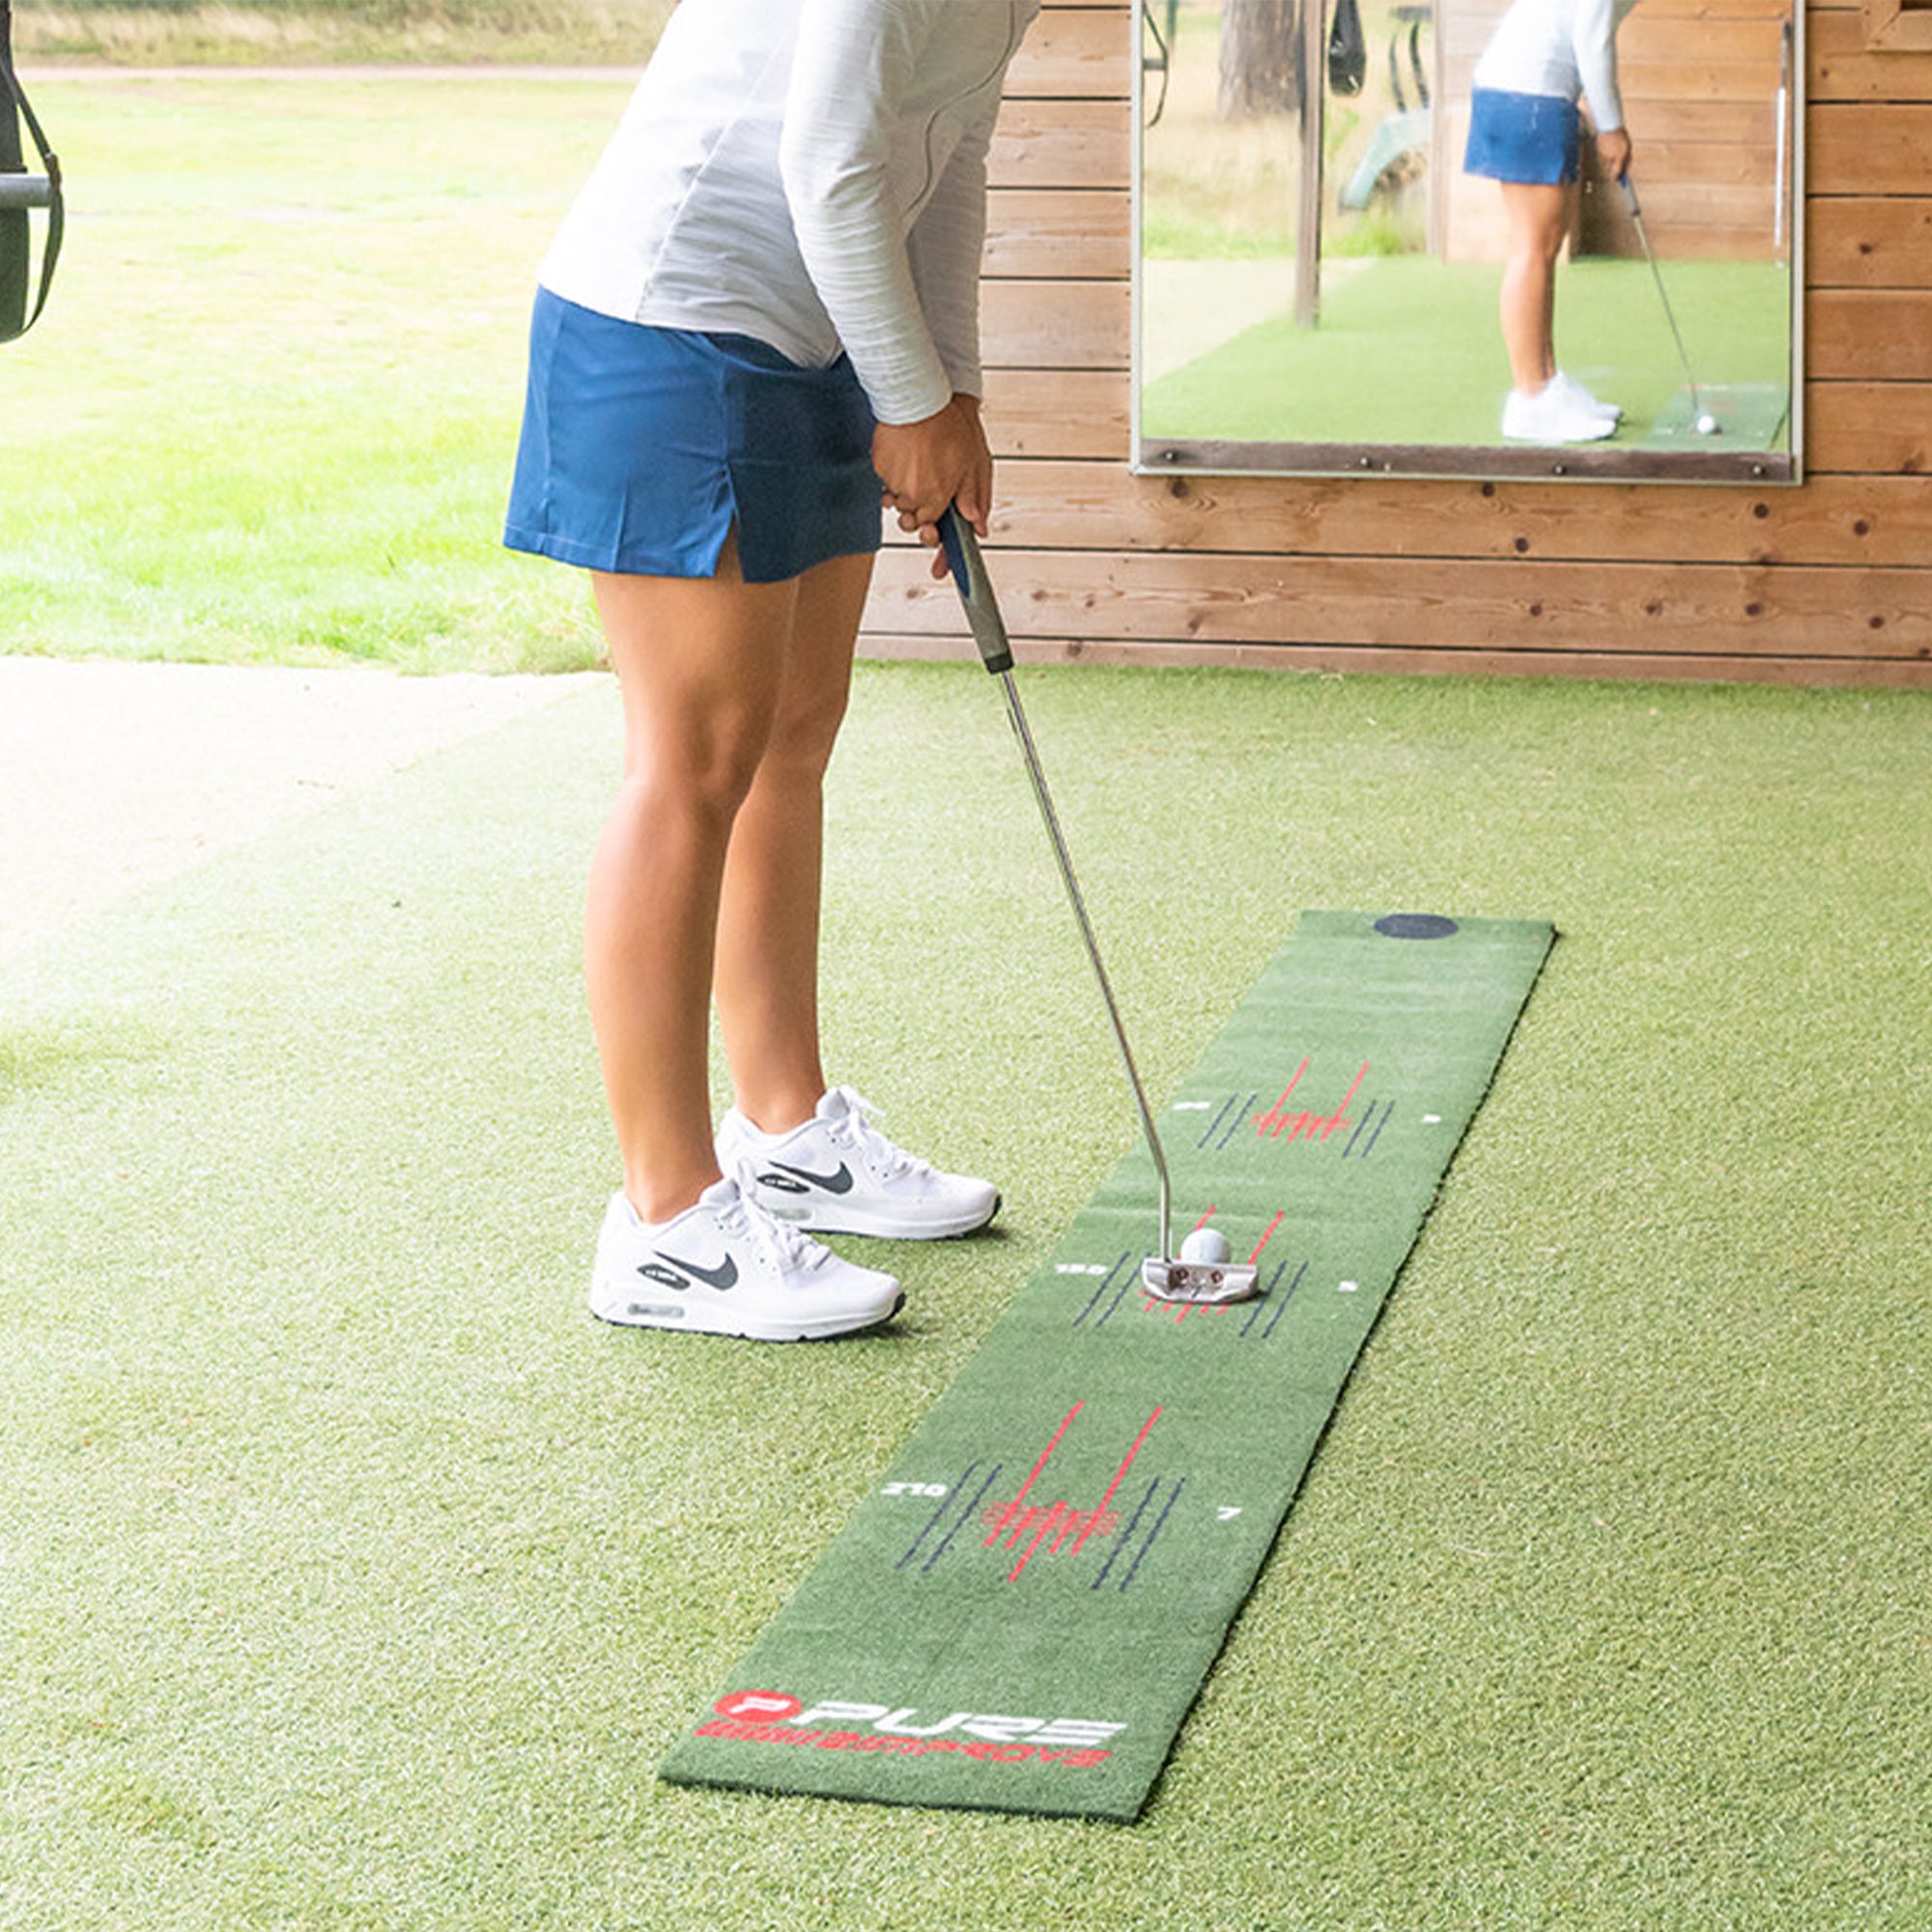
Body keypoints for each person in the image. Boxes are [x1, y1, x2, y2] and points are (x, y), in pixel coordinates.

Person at [504, 0, 1039, 1342]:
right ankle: (665, 1224)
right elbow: (828, 159)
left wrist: (949, 387)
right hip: (672, 321)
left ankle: (787, 1128)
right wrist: (912, 402)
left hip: (820, 327)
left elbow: (950, 150)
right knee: (693, 764)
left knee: (794, 735)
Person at [1463, 0, 1641, 443]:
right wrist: (1611, 128)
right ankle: (1530, 399)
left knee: (1542, 248)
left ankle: (1547, 384)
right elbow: (1593, 44)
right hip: (1526, 95)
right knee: (1532, 248)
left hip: (1532, 92)